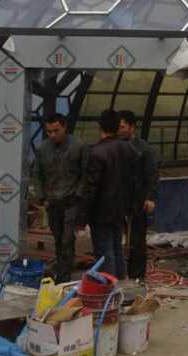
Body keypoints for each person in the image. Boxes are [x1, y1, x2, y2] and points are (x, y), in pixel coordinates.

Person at [79, 109, 135, 278]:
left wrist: (82, 217)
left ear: (100, 127)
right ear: (118, 127)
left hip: (101, 211)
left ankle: (108, 287)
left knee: (104, 253)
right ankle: (121, 283)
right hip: (120, 209)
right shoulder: (129, 149)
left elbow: (91, 188)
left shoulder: (97, 152)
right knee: (117, 248)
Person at [31, 113, 86, 283]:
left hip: (71, 201)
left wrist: (79, 195)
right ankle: (62, 266)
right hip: (52, 202)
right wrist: (41, 197)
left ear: (65, 127)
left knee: (67, 238)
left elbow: (85, 174)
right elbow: (37, 174)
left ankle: (64, 275)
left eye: (56, 130)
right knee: (58, 238)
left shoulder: (79, 146)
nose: (53, 135)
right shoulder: (42, 149)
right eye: (49, 132)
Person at [117, 110, 158, 281]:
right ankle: (119, 274)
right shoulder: (115, 147)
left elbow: (152, 174)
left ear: (132, 127)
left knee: (137, 240)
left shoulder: (144, 149)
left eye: (122, 127)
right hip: (118, 200)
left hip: (138, 200)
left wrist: (150, 197)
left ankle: (137, 276)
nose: (119, 130)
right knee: (117, 239)